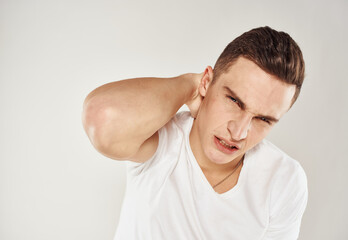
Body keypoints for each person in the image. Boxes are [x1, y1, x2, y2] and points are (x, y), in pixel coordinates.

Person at [82, 26, 308, 240]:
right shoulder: (164, 138)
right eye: (234, 101)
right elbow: (100, 118)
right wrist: (189, 85)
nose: (238, 132)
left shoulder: (283, 180)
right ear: (207, 82)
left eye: (263, 119)